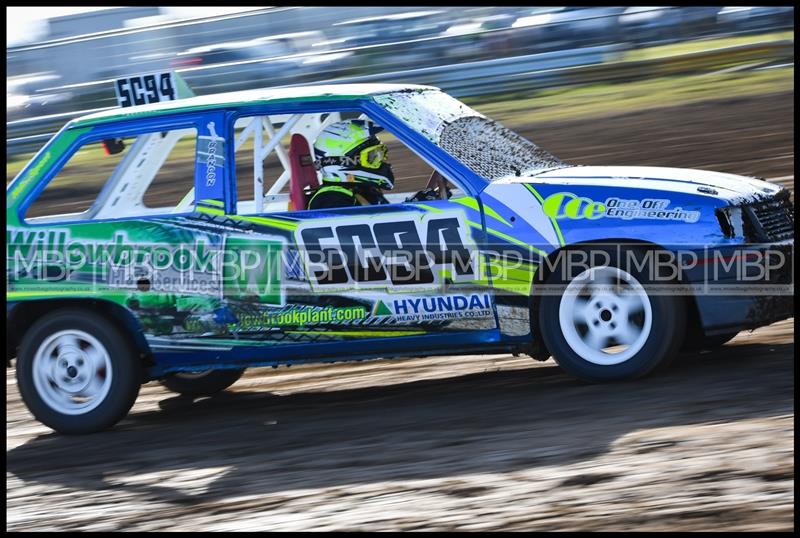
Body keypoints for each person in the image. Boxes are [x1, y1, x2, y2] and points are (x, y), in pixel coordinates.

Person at [308, 119, 394, 210]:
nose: (381, 161)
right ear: (344, 162)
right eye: (371, 157)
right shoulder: (331, 200)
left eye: (380, 153)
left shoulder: (362, 189)